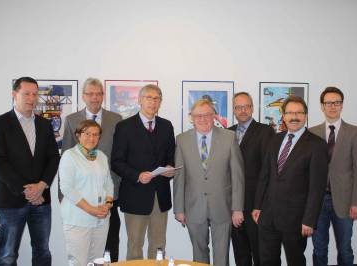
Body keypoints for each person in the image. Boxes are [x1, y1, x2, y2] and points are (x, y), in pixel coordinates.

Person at [0, 77, 60, 265]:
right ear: (15, 94)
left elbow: (53, 158)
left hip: (41, 200)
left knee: (43, 251)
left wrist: (42, 185)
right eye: (26, 93)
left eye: (35, 94)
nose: (31, 98)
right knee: (8, 254)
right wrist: (28, 190)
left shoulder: (45, 125)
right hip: (11, 199)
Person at [252, 95, 328, 266]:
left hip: (296, 218)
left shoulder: (317, 145)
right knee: (267, 260)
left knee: (295, 261)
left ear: (306, 115)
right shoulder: (275, 139)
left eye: (299, 113)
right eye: (290, 112)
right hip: (268, 215)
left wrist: (309, 219)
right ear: (283, 116)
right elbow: (265, 174)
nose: (294, 117)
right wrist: (257, 205)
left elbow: (317, 187)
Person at [173, 98, 245, 266]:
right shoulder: (182, 140)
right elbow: (179, 177)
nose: (203, 119)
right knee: (199, 256)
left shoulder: (229, 137)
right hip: (193, 207)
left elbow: (238, 176)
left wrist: (238, 209)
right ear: (191, 117)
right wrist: (179, 209)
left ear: (214, 116)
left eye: (207, 115)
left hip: (223, 207)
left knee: (222, 256)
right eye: (198, 116)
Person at [111, 84, 175, 260]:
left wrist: (170, 169)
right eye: (149, 98)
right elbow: (116, 162)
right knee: (135, 245)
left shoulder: (166, 126)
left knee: (159, 244)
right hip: (134, 195)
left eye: (157, 99)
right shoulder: (124, 127)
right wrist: (137, 176)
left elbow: (171, 157)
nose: (153, 102)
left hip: (160, 197)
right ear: (139, 100)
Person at [61, 78, 122, 261]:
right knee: (80, 258)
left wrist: (108, 202)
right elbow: (66, 184)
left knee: (106, 253)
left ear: (103, 96)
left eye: (98, 94)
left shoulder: (116, 119)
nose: (95, 98)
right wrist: (67, 200)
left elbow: (113, 169)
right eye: (90, 94)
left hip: (106, 202)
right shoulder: (71, 121)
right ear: (83, 96)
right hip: (79, 206)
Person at [310, 87, 357, 266]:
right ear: (322, 106)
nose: (332, 106)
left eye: (337, 102)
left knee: (345, 249)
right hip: (318, 203)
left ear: (342, 105)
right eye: (328, 103)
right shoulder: (312, 132)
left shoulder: (355, 132)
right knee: (319, 249)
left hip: (345, 201)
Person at [59, 120, 114, 266]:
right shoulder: (69, 156)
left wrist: (107, 205)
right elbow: (67, 188)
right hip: (78, 219)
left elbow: (108, 183)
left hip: (101, 219)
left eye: (96, 134)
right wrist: (91, 210)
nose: (92, 138)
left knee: (96, 261)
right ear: (78, 135)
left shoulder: (101, 156)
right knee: (78, 262)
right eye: (87, 133)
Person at [229, 92, 274, 266]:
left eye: (246, 106)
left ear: (252, 108)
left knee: (259, 253)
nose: (243, 110)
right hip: (233, 204)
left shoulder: (265, 132)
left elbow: (268, 171)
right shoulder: (227, 133)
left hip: (255, 206)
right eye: (239, 107)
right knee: (240, 254)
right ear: (233, 110)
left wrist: (261, 205)